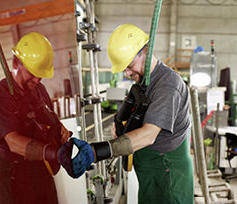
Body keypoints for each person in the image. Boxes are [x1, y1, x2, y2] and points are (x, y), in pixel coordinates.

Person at [58, 24, 194, 203]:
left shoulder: (167, 86)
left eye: (129, 66)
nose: (127, 73)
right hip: (151, 173)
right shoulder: (144, 81)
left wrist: (96, 151)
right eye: (124, 69)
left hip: (168, 175)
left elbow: (148, 135)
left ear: (145, 51)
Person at [0, 32, 71, 204]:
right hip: (15, 177)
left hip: (41, 169)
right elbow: (13, 141)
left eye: (40, 74)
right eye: (32, 73)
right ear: (16, 63)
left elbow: (48, 118)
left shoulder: (38, 89)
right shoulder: (0, 95)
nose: (37, 79)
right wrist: (53, 153)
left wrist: (60, 129)